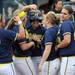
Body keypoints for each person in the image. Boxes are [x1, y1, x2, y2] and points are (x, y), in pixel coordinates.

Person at [11, 4, 37, 75]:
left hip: (16, 58)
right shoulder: (18, 28)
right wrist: (32, 43)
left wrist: (29, 7)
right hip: (23, 59)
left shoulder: (15, 26)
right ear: (21, 18)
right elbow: (23, 47)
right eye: (25, 16)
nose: (26, 18)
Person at [56, 5, 75, 75]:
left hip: (68, 58)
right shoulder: (71, 23)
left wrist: (57, 46)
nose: (62, 15)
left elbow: (67, 41)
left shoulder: (66, 23)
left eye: (65, 14)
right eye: (61, 13)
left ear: (70, 15)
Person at [27, 9, 46, 75]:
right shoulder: (27, 29)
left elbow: (47, 44)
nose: (36, 22)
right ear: (31, 20)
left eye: (38, 20)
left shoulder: (43, 30)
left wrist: (38, 40)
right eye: (34, 20)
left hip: (40, 55)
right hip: (30, 56)